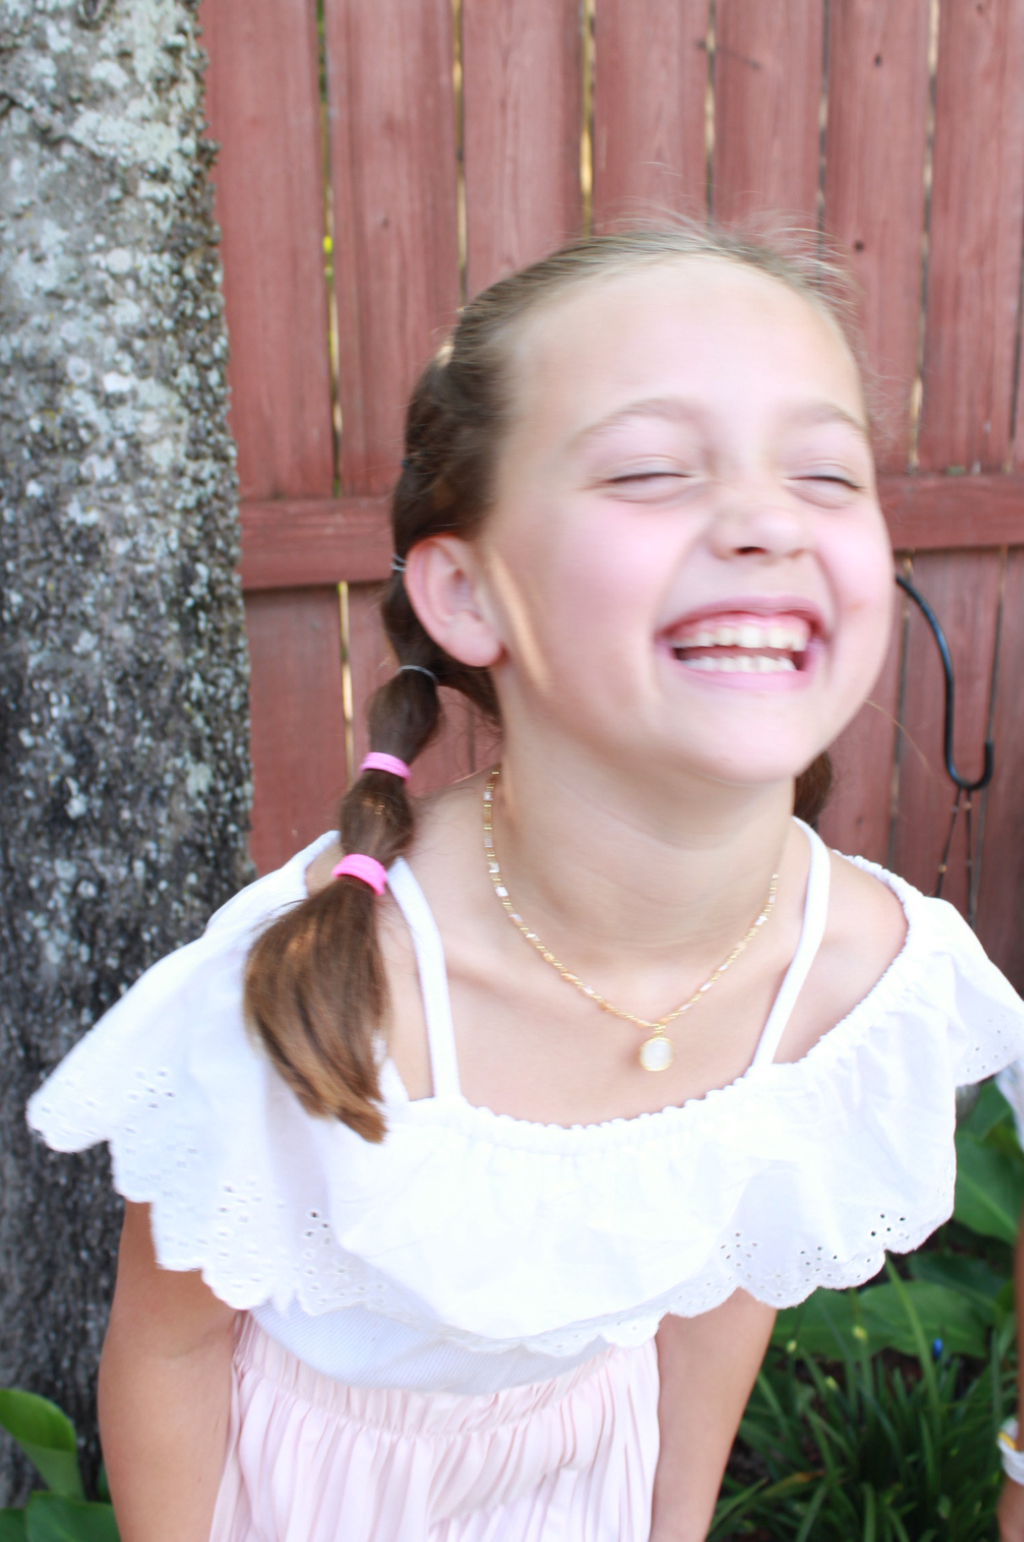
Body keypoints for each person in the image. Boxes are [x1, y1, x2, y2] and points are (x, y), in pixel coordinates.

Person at [28, 224, 1024, 1542]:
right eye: (651, 469)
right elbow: (169, 1346)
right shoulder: (328, 983)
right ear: (469, 595)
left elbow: (724, 1267)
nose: (768, 520)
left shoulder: (861, 979)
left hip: (588, 1483)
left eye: (826, 471)